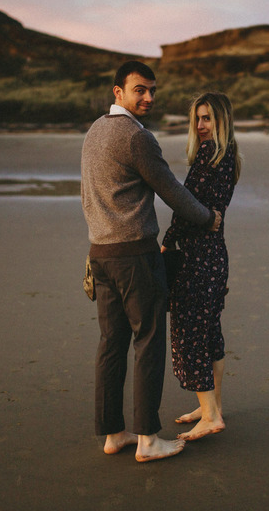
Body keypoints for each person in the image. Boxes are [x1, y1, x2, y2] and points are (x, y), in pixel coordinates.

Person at [80, 61, 221, 463]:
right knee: (148, 341)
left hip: (100, 254)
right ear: (118, 92)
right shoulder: (136, 138)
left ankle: (113, 433)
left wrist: (98, 238)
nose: (148, 98)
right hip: (135, 255)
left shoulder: (94, 131)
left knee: (111, 344)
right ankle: (147, 438)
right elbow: (171, 191)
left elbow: (89, 195)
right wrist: (208, 217)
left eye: (152, 91)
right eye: (139, 90)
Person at [161, 92, 241, 442]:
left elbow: (186, 206)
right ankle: (213, 407)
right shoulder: (230, 156)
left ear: (222, 121)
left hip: (197, 258)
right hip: (215, 255)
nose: (200, 125)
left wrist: (167, 239)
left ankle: (210, 415)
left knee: (191, 334)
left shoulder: (209, 155)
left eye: (207, 118)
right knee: (209, 333)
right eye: (197, 118)